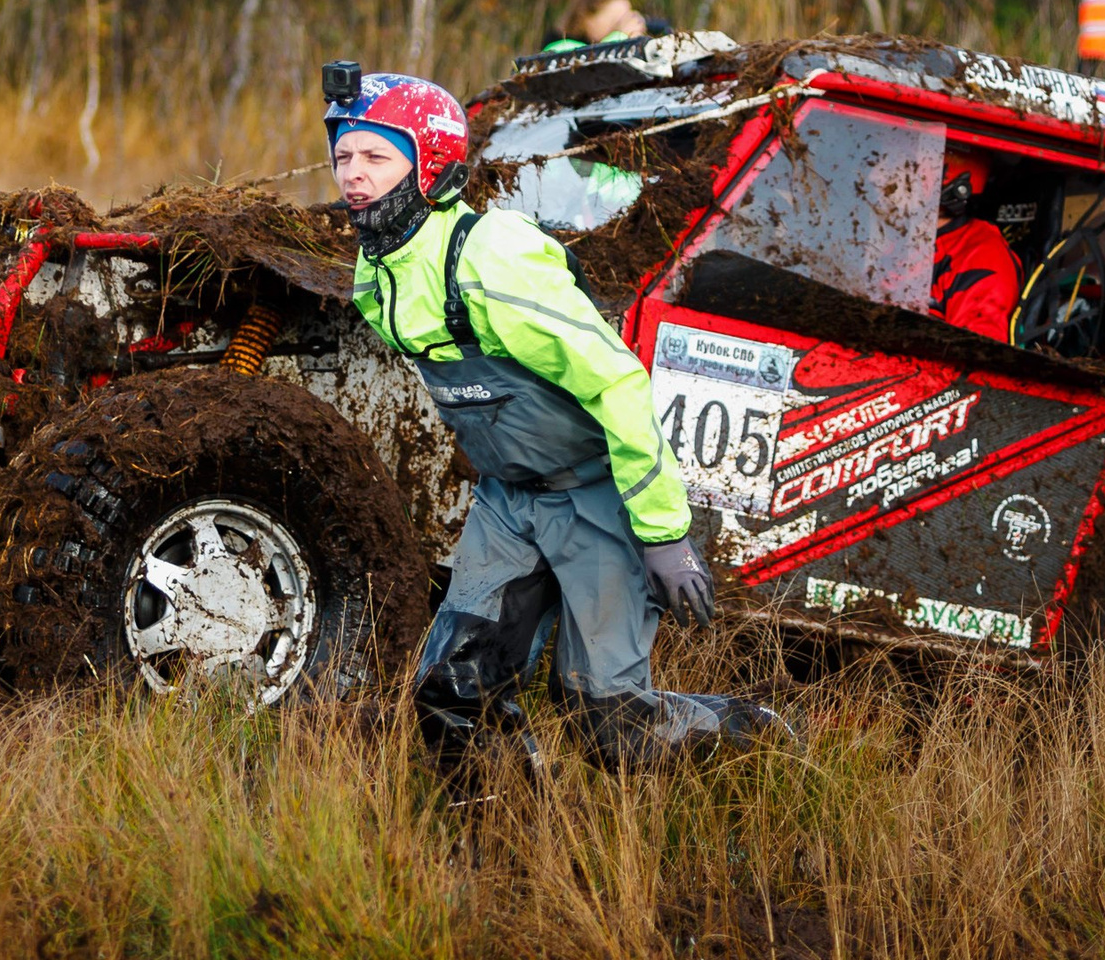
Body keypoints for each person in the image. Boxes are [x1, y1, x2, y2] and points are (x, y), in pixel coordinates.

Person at [325, 65, 785, 770]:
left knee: (612, 728)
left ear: (433, 164)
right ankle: (503, 844)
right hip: (509, 502)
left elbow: (619, 384)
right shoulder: (374, 275)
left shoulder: (492, 260)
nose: (352, 174)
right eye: (342, 156)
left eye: (376, 156)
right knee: (451, 693)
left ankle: (765, 739)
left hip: (595, 497)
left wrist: (663, 534)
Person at [931, 153, 1020, 344]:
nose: (875, 178)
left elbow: (972, 359)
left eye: (899, 167)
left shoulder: (981, 257)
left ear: (956, 189)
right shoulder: (898, 241)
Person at [542, 0, 669, 53]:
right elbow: (595, 68)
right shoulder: (558, 48)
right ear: (586, 18)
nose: (622, 26)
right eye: (615, 21)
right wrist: (622, 37)